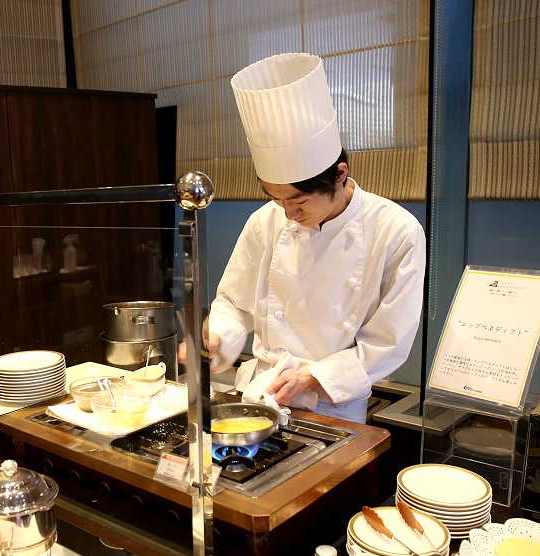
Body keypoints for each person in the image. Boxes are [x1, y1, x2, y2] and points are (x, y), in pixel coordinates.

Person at [182, 53, 426, 424]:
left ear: (340, 174)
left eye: (298, 200)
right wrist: (216, 337)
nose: (287, 213)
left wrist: (313, 376)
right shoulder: (265, 221)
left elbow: (387, 343)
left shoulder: (397, 231)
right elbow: (235, 302)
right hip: (261, 394)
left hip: (334, 407)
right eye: (275, 198)